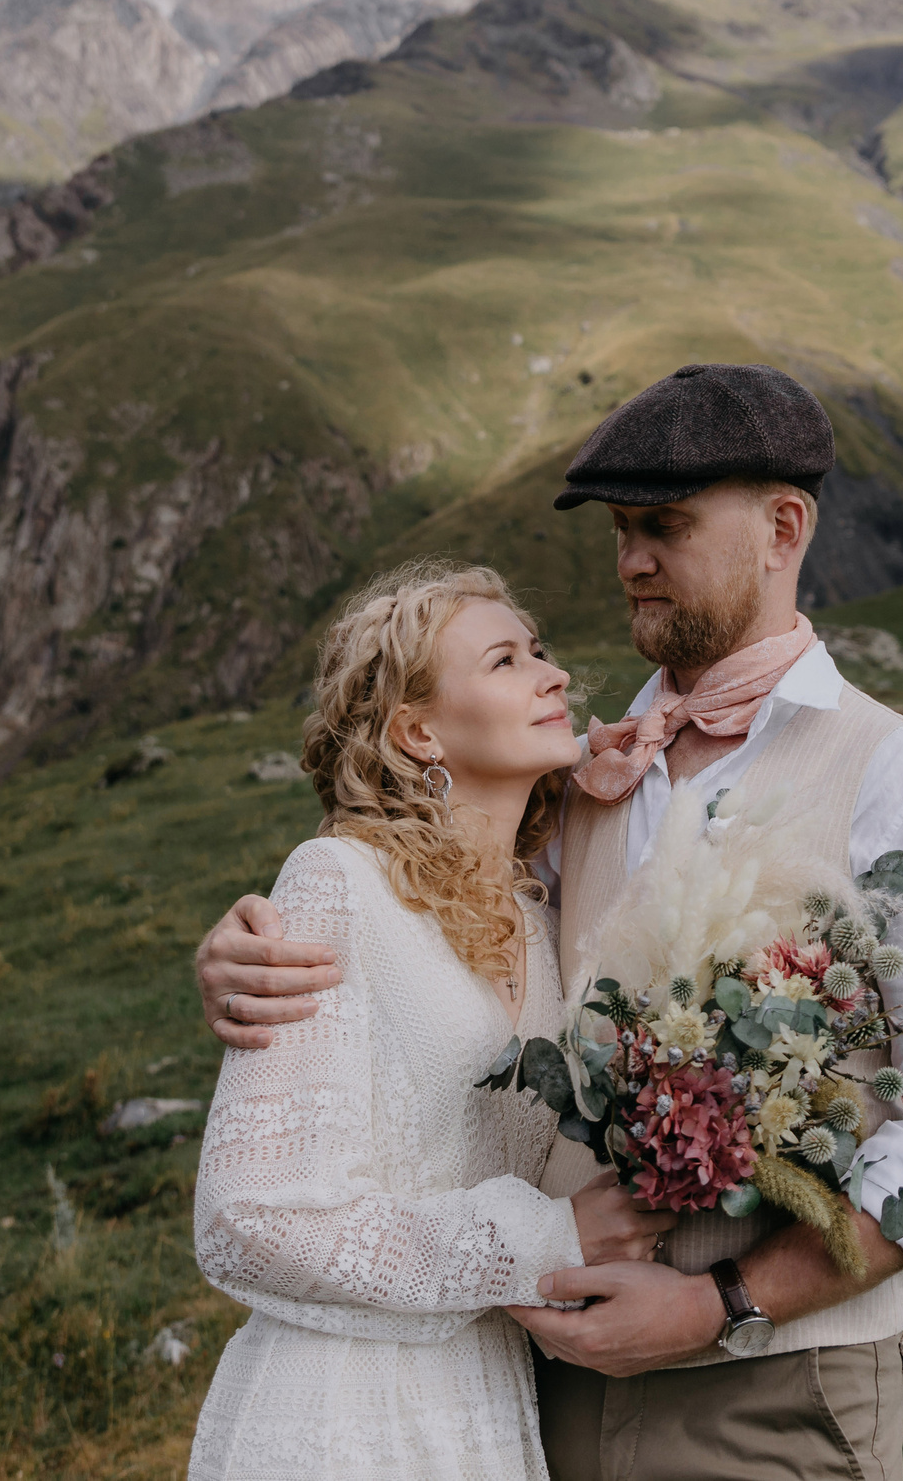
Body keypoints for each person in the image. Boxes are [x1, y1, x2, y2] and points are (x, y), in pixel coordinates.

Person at [197, 363, 903, 1481]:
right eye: (621, 530)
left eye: (665, 526)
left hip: (771, 1391)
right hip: (537, 1386)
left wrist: (723, 1302)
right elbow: (415, 928)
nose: (631, 560)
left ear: (784, 528)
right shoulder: (573, 792)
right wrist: (249, 952)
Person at [188, 562, 679, 1481]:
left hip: (483, 1404)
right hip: (336, 1412)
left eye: (539, 650)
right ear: (419, 731)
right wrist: (539, 1241)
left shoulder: (537, 916)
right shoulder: (339, 882)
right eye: (505, 660)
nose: (555, 675)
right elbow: (243, 1219)